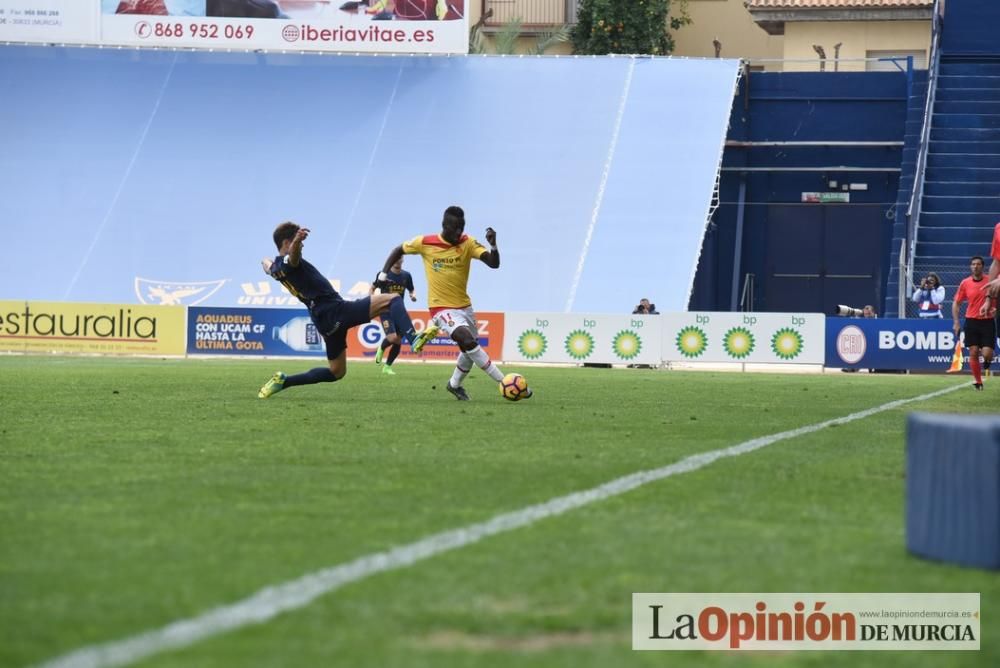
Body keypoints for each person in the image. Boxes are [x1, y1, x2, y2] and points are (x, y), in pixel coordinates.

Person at [257, 222, 437, 398]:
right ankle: (414, 339)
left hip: (322, 320)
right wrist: (296, 242)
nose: (302, 245)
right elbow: (294, 257)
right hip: (334, 311)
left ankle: (284, 381)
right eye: (298, 241)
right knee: (393, 299)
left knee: (337, 372)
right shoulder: (289, 262)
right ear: (287, 243)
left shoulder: (276, 269)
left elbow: (267, 265)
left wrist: (266, 261)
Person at [380, 205, 530, 401]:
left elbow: (494, 263)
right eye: (455, 228)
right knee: (467, 341)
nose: (459, 232)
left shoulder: (467, 243)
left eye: (462, 227)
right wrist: (383, 274)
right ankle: (505, 382)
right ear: (445, 225)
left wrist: (493, 245)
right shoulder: (425, 242)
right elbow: (398, 249)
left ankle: (454, 385)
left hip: (465, 307)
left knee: (469, 348)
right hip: (440, 308)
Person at [369, 257, 418, 376]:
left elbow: (411, 289)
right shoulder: (383, 275)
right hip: (385, 310)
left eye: (400, 258)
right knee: (392, 338)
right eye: (396, 258)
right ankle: (381, 348)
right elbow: (372, 288)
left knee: (398, 341)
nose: (397, 260)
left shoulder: (406, 275)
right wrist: (371, 299)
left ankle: (387, 367)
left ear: (402, 260)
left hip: (399, 311)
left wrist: (412, 296)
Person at [953, 255, 995, 391]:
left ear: (983, 267)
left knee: (987, 353)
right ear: (970, 267)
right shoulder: (965, 283)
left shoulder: (991, 280)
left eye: (978, 264)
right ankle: (978, 382)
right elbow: (957, 303)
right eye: (973, 264)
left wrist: (996, 309)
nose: (975, 266)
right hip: (971, 321)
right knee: (973, 351)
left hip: (988, 322)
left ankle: (988, 361)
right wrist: (956, 322)